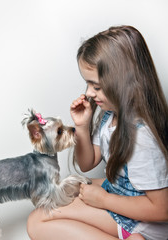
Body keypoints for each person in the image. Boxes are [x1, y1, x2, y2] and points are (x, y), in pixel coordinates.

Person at [27, 25, 168, 240]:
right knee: (63, 191)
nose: (89, 93)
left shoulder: (142, 138)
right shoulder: (108, 115)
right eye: (87, 84)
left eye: (96, 86)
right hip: (119, 193)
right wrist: (82, 126)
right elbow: (87, 163)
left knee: (38, 221)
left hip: (141, 222)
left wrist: (103, 200)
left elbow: (161, 209)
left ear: (126, 83)